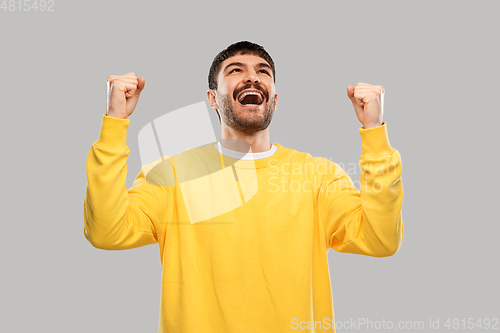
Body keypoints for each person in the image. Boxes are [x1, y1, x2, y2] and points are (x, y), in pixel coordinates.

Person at [83, 41, 404, 333]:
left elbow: (380, 239)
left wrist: (373, 131)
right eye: (236, 71)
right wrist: (115, 122)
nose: (253, 78)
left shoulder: (319, 176)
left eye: (263, 72)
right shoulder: (171, 175)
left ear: (274, 100)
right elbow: (106, 231)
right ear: (212, 98)